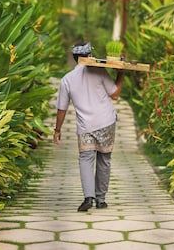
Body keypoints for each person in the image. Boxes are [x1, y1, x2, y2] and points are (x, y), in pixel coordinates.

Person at [53, 42, 124, 212]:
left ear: (75, 58)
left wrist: (57, 130)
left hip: (85, 126)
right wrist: (121, 74)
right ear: (89, 55)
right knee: (104, 160)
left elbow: (61, 108)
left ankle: (88, 197)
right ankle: (101, 199)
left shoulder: (66, 80)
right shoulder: (98, 70)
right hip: (106, 122)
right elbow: (114, 94)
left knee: (85, 159)